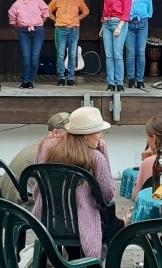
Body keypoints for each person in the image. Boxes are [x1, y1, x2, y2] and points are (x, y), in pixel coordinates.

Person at [35, 106, 122, 260]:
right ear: (84, 135)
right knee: (110, 221)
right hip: (81, 226)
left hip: (47, 220)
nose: (101, 135)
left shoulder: (46, 147)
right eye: (98, 131)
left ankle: (73, 260)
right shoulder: (95, 158)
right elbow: (107, 195)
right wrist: (103, 151)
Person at [0, 112, 69, 204]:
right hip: (21, 206)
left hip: (2, 199)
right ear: (55, 133)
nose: (74, 139)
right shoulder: (52, 152)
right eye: (70, 134)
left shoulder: (38, 144)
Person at [48, 0, 90, 86]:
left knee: (72, 54)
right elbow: (47, 10)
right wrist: (55, 19)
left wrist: (77, 19)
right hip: (60, 29)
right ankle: (61, 77)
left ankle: (71, 78)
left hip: (74, 29)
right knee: (61, 54)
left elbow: (86, 11)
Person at [8, 0, 49, 89]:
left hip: (38, 31)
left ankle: (30, 80)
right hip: (24, 31)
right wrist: (21, 27)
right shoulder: (16, 4)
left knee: (35, 57)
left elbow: (46, 12)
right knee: (26, 57)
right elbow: (12, 20)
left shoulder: (37, 0)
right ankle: (24, 80)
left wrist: (39, 24)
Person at [99, 0, 132, 92]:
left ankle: (119, 83)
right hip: (107, 23)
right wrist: (103, 26)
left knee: (117, 54)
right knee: (109, 55)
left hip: (119, 23)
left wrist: (119, 27)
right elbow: (105, 9)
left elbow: (126, 10)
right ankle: (110, 83)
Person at [125, 0, 153, 89]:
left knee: (141, 52)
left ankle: (140, 80)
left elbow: (150, 10)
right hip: (129, 24)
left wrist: (143, 18)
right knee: (130, 53)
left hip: (142, 24)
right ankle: (131, 79)